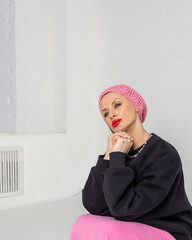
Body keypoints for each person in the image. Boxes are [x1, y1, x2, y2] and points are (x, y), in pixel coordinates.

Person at [70, 84, 192, 240]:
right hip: (133, 224)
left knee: (112, 230)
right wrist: (109, 156)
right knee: (83, 222)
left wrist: (118, 158)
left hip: (167, 230)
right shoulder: (117, 155)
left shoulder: (163, 153)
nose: (111, 115)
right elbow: (93, 205)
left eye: (117, 105)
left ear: (136, 105)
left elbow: (125, 209)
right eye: (106, 113)